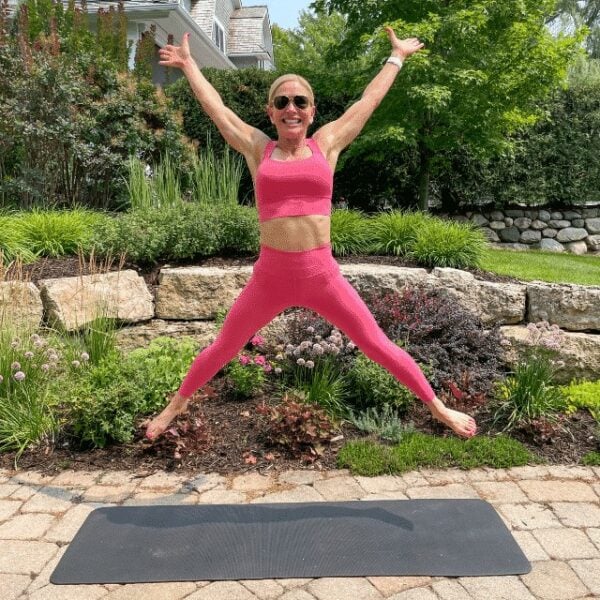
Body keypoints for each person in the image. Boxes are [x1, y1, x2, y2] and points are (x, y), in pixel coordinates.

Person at [144, 26, 477, 440]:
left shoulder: (327, 144)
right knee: (223, 348)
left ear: (312, 110)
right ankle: (174, 407)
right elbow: (219, 112)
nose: (291, 107)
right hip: (270, 278)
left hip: (323, 276)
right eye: (282, 101)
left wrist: (396, 58)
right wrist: (190, 65)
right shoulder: (257, 147)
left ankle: (439, 408)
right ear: (271, 112)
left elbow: (366, 103)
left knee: (376, 344)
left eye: (299, 101)